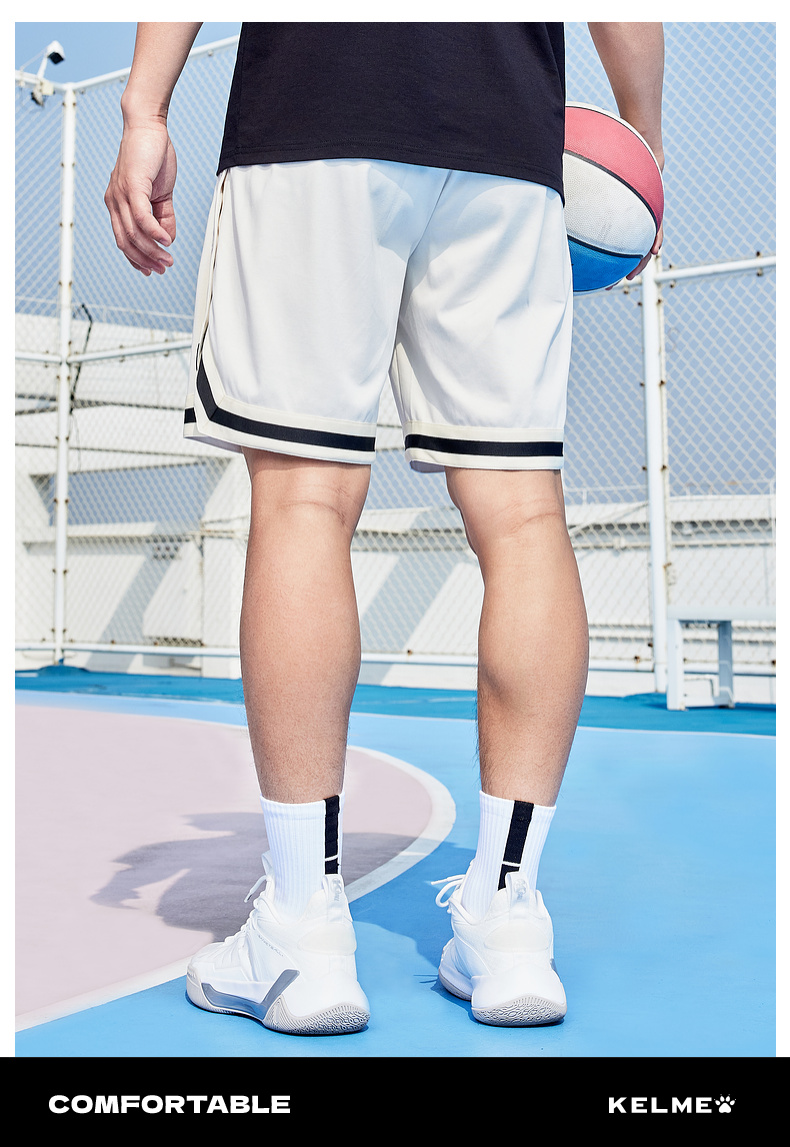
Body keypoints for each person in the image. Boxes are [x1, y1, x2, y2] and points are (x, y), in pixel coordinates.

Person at [105, 21, 664, 1035]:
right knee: (522, 515)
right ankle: (506, 923)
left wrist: (145, 109)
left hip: (319, 109)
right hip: (507, 138)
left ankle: (303, 933)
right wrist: (641, 138)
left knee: (304, 498)